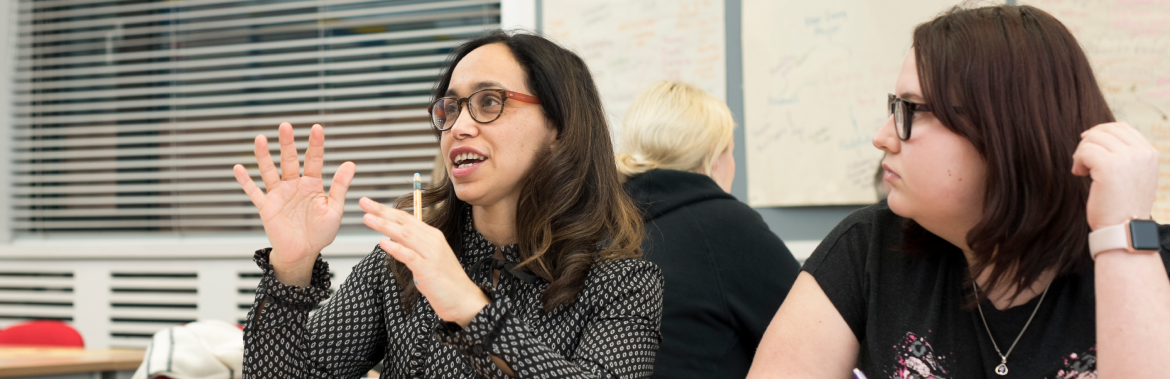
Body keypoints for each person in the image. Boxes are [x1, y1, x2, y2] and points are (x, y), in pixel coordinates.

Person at [748, 5, 1170, 378]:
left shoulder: (1152, 269)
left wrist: (1123, 232)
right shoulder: (868, 247)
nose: (882, 137)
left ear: (1004, 129)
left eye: (911, 110)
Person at [232, 31, 664, 378]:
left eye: (489, 102)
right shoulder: (405, 261)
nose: (458, 127)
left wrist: (470, 309)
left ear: (558, 125)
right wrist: (292, 267)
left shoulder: (622, 283)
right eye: (451, 108)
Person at [615, 81, 801, 379]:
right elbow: (812, 334)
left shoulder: (597, 229)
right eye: (731, 151)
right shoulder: (727, 228)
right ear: (715, 160)